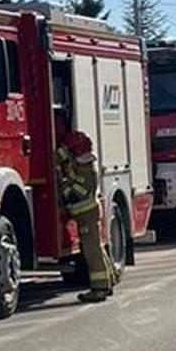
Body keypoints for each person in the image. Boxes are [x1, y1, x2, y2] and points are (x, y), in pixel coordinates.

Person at [57, 128, 116, 303]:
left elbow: (77, 192)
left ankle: (99, 289)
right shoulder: (83, 162)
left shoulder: (85, 168)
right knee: (96, 248)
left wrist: (62, 184)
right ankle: (108, 282)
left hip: (86, 214)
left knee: (92, 251)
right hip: (86, 213)